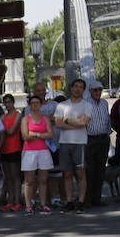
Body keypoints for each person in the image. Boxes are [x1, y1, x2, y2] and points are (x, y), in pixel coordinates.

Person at [52, 78, 92, 212]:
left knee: (81, 173)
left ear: (83, 90)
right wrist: (75, 123)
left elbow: (84, 123)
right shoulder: (62, 105)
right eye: (76, 86)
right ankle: (69, 201)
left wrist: (67, 120)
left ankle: (80, 201)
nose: (78, 89)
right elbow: (58, 124)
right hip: (64, 143)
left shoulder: (87, 105)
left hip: (80, 143)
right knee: (67, 174)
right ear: (71, 88)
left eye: (81, 87)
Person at [21, 96, 55, 214]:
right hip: (29, 151)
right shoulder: (25, 119)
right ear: (29, 105)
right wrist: (42, 134)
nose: (35, 105)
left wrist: (36, 134)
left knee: (43, 180)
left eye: (37, 103)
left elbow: (51, 134)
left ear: (41, 105)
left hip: (43, 150)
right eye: (33, 103)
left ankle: (43, 204)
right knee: (29, 181)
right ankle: (28, 205)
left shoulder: (45, 119)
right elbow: (26, 136)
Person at [84, 83, 112, 206]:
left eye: (100, 90)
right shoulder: (85, 104)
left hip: (103, 138)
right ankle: (88, 198)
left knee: (101, 169)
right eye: (95, 90)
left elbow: (107, 119)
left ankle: (97, 197)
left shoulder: (104, 103)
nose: (98, 92)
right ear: (90, 91)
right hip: (90, 139)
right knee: (89, 170)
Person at [0, 96, 23, 211]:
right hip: (4, 148)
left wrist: (2, 131)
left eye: (9, 102)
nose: (7, 105)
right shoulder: (3, 116)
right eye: (5, 103)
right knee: (8, 177)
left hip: (15, 148)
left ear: (13, 102)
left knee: (16, 176)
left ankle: (17, 201)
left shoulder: (18, 115)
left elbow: (12, 131)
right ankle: (10, 200)